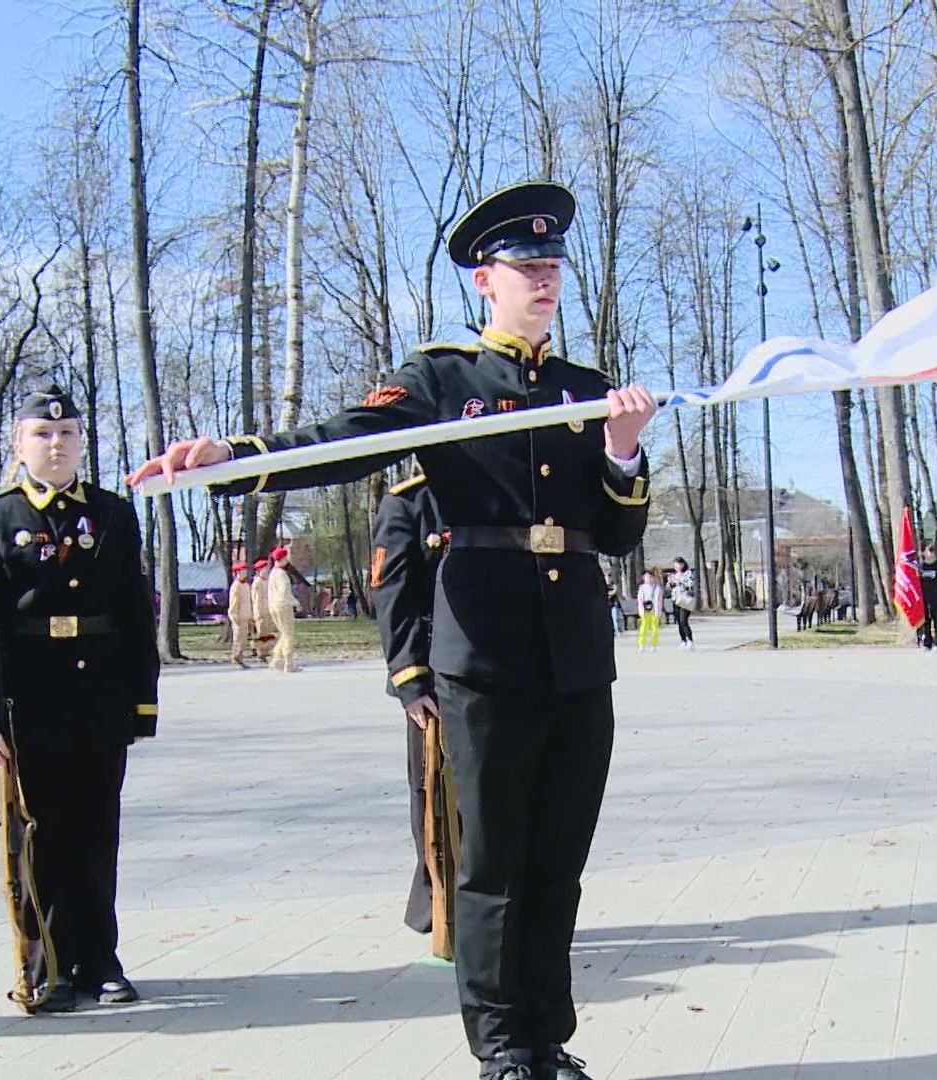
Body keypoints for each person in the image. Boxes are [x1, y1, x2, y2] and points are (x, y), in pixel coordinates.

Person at [129, 181, 655, 1080]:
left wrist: (621, 450)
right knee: (492, 863)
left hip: (574, 654)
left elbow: (616, 532)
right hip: (482, 649)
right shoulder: (443, 380)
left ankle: (548, 1033)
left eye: (553, 265)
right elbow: (346, 437)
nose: (544, 279)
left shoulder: (588, 391)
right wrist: (239, 459)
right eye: (526, 267)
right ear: (485, 281)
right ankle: (501, 1046)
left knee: (558, 859)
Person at [0, 382, 159, 1013]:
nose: (56, 443)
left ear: (81, 443)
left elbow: (133, 613)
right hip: (28, 698)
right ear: (19, 445)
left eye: (67, 434)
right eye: (42, 434)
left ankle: (99, 959)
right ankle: (47, 966)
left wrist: (139, 701)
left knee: (96, 831)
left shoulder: (113, 513)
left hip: (96, 693)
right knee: (40, 835)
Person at [370, 472, 456, 947]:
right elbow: (391, 592)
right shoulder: (409, 502)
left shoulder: (495, 487)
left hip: (494, 668)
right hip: (432, 673)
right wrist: (409, 678)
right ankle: (435, 904)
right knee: (432, 792)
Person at [266, 545, 301, 672]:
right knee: (288, 634)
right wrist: (295, 602)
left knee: (283, 633)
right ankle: (288, 662)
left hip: (273, 606)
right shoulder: (281, 574)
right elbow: (284, 592)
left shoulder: (272, 574)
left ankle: (276, 659)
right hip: (283, 606)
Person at [918, 543, 937, 650]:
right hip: (924, 597)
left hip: (935, 597)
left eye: (933, 550)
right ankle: (927, 642)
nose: (932, 552)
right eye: (930, 550)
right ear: (924, 552)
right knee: (926, 620)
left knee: (936, 620)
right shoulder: (920, 567)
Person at [666, 557, 697, 650]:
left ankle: (690, 640)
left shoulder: (688, 574)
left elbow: (690, 586)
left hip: (685, 599)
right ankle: (683, 640)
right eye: (675, 565)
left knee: (684, 620)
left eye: (678, 565)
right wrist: (670, 582)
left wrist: (680, 582)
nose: (677, 567)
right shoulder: (674, 575)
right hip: (675, 599)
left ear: (683, 564)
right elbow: (669, 588)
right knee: (679, 621)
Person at [227, 562, 254, 667]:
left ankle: (240, 656)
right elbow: (233, 603)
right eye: (242, 571)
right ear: (237, 572)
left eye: (245, 570)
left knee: (243, 639)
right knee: (238, 638)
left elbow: (249, 601)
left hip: (246, 615)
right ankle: (236, 657)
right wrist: (234, 616)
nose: (245, 573)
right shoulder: (236, 586)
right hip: (238, 617)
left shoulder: (246, 585)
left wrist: (250, 614)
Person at [250, 559, 272, 662]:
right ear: (259, 571)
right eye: (264, 569)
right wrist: (257, 613)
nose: (266, 571)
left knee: (266, 632)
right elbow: (256, 599)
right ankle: (259, 650)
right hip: (260, 611)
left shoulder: (267, 581)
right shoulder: (257, 583)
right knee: (261, 633)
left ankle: (264, 651)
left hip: (268, 610)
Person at [635, 569, 663, 652]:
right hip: (645, 610)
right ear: (644, 578)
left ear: (653, 578)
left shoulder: (657, 588)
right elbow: (640, 599)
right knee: (643, 627)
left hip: (654, 610)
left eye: (650, 577)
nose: (648, 579)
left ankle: (654, 644)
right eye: (646, 577)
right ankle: (641, 644)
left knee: (655, 628)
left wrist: (659, 610)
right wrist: (641, 610)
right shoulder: (642, 588)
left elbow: (660, 600)